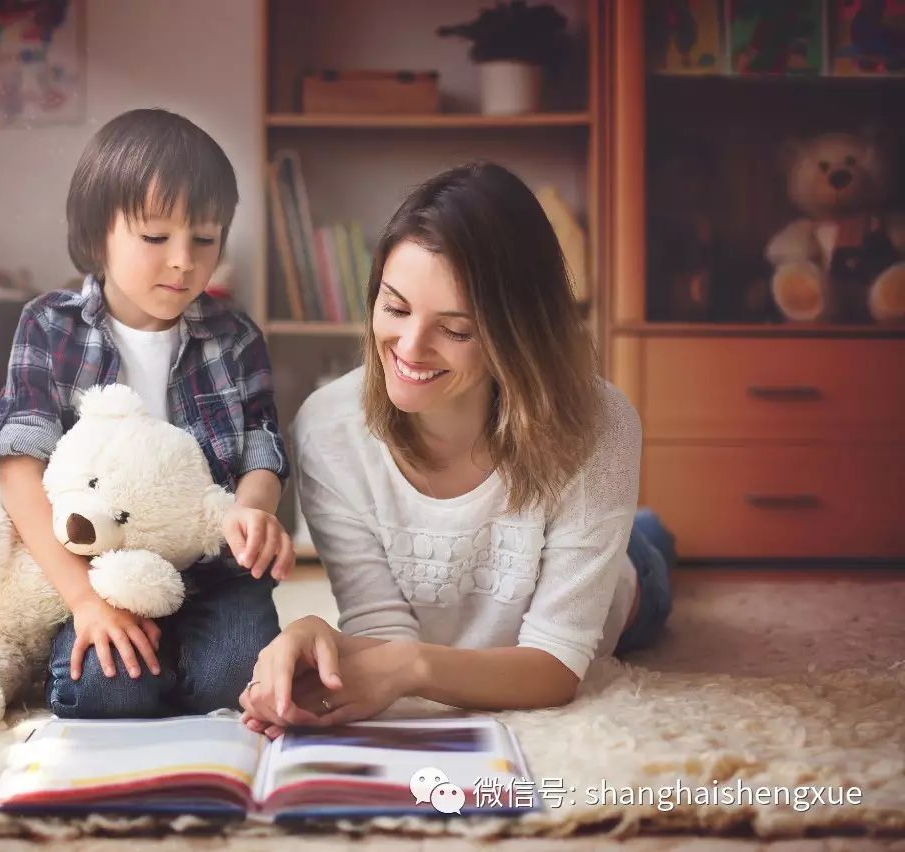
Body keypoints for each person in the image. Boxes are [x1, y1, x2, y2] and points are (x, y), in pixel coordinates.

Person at [239, 162, 674, 738]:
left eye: (457, 329)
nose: (410, 348)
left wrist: (412, 667)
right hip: (472, 615)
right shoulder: (328, 427)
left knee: (646, 551)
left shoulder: (600, 425)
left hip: (626, 591)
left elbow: (557, 665)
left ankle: (644, 534)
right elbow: (384, 633)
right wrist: (319, 635)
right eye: (395, 309)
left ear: (517, 334)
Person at [0, 108, 293, 718]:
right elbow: (19, 471)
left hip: (215, 570)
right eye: (156, 238)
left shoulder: (234, 336)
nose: (183, 261)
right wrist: (84, 600)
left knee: (234, 682)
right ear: (98, 234)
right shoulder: (50, 326)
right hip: (105, 573)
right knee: (105, 689)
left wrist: (252, 514)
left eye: (205, 239)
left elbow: (263, 449)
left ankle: (181, 658)